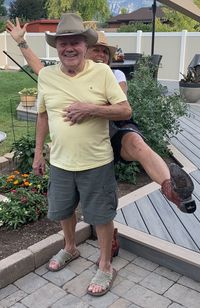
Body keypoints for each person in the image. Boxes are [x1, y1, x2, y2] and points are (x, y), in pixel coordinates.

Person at [6, 18, 196, 215]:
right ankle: (102, 235)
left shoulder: (114, 75)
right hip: (86, 144)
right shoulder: (64, 73)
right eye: (96, 49)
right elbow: (39, 69)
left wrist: (87, 108)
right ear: (86, 50)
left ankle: (172, 189)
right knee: (94, 202)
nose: (101, 54)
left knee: (137, 145)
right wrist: (22, 42)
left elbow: (120, 106)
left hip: (116, 127)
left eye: (105, 51)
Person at [11, 13, 132, 296]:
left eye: (74, 42)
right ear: (56, 47)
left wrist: (90, 109)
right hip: (61, 162)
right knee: (63, 211)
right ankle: (70, 247)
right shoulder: (48, 76)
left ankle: (105, 265)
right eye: (63, 42)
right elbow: (42, 115)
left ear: (85, 45)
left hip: (96, 162)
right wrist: (38, 153)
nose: (69, 48)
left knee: (101, 217)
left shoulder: (101, 73)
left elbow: (125, 110)